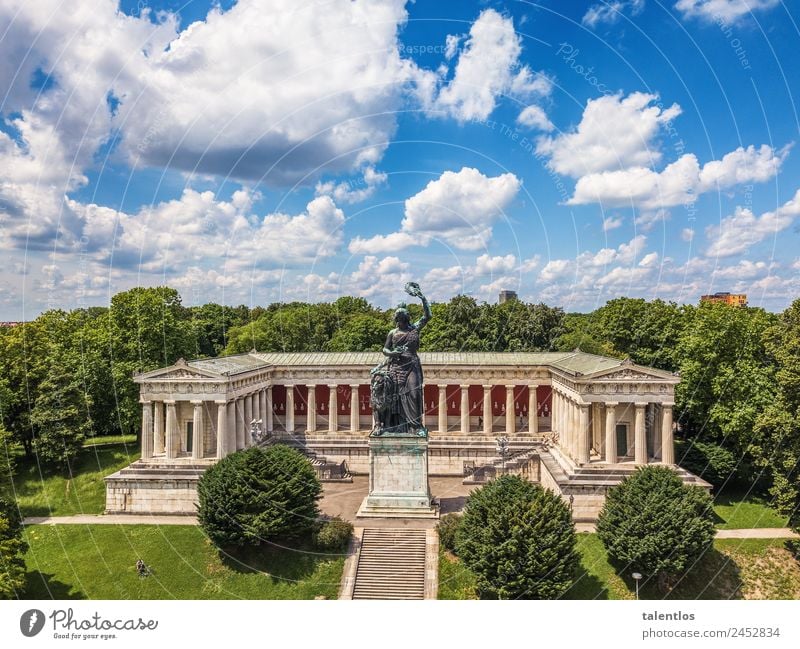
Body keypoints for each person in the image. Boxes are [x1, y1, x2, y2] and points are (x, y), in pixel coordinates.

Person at [373, 282, 432, 435]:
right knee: (394, 398)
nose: (402, 321)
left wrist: (422, 298)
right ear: (397, 319)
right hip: (396, 366)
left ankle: (416, 427)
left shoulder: (414, 328)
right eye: (399, 318)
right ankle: (392, 426)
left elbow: (428, 316)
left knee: (414, 394)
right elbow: (385, 349)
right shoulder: (392, 333)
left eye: (404, 318)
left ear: (407, 318)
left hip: (411, 365)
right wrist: (393, 353)